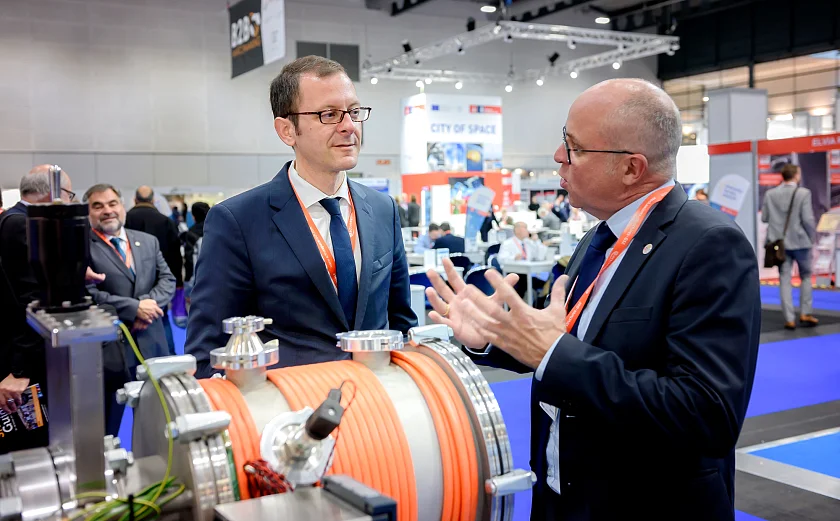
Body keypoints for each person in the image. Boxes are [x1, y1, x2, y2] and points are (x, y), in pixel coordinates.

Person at [424, 78, 760, 521]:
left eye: (575, 147)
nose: (559, 157)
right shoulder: (599, 239)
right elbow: (563, 341)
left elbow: (705, 415)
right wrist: (492, 336)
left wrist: (554, 352)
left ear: (631, 168)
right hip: (563, 497)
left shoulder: (708, 245)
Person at [185, 55, 416, 378]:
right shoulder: (238, 221)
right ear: (287, 130)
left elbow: (402, 322)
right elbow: (208, 351)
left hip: (377, 407)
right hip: (290, 414)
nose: (349, 125)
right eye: (329, 114)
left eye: (353, 112)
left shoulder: (382, 209)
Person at [0, 166, 111, 444]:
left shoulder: (15, 220)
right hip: (24, 359)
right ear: (54, 193)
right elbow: (31, 298)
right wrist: (20, 370)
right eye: (69, 195)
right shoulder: (22, 223)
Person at [125, 185, 183, 354]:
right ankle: (168, 360)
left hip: (131, 287)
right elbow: (175, 256)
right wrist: (177, 283)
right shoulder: (166, 221)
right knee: (161, 321)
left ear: (135, 200)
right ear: (153, 201)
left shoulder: (127, 219)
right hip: (160, 286)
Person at [761, 163, 818, 329]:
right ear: (796, 175)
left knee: (784, 279)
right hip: (801, 242)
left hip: (780, 244)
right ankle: (805, 313)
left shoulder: (770, 194)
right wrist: (812, 237)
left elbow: (764, 218)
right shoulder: (803, 193)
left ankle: (789, 318)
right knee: (806, 277)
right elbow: (807, 219)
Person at [183, 201, 210, 284]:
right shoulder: (217, 229)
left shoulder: (191, 233)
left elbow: (189, 258)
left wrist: (187, 279)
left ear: (193, 216)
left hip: (198, 278)